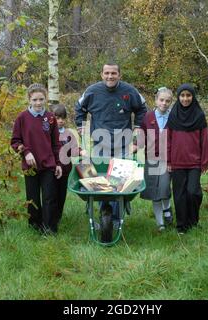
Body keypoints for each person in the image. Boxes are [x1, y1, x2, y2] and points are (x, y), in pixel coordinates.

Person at [75, 62, 148, 226]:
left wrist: (137, 128)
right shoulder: (92, 91)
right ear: (101, 74)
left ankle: (115, 218)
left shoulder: (129, 91)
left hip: (123, 145)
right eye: (107, 73)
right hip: (100, 144)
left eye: (113, 73)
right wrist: (81, 126)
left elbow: (142, 108)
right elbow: (79, 107)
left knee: (118, 182)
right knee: (101, 182)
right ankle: (103, 214)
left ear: (119, 75)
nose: (110, 76)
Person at [11, 84, 63, 234]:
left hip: (48, 164)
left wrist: (58, 163)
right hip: (31, 166)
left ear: (45, 99)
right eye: (35, 100)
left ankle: (49, 228)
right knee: (32, 198)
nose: (38, 103)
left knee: (49, 197)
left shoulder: (50, 118)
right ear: (29, 99)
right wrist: (26, 152)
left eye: (41, 99)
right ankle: (35, 226)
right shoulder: (22, 118)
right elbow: (15, 141)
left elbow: (55, 143)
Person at [167, 83, 208, 234]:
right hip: (177, 162)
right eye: (182, 95)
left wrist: (204, 161)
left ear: (193, 96)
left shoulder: (199, 115)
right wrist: (168, 161)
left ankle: (193, 221)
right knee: (179, 195)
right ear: (178, 97)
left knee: (193, 192)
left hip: (194, 163)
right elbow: (168, 140)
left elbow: (204, 140)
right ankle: (181, 226)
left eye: (188, 95)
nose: (185, 98)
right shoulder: (173, 115)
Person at [140, 87, 174, 232]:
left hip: (167, 159)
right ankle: (160, 223)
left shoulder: (173, 118)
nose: (164, 103)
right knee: (154, 191)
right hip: (151, 158)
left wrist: (171, 161)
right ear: (156, 100)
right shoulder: (148, 117)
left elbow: (176, 140)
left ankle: (167, 208)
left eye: (167, 101)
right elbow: (141, 135)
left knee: (164, 187)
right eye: (161, 100)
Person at [51, 103, 82, 225]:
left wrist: (81, 152)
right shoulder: (47, 133)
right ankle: (49, 216)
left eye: (63, 118)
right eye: (57, 118)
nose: (60, 121)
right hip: (51, 168)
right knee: (50, 194)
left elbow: (74, 150)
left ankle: (58, 216)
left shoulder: (68, 134)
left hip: (65, 169)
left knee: (61, 193)